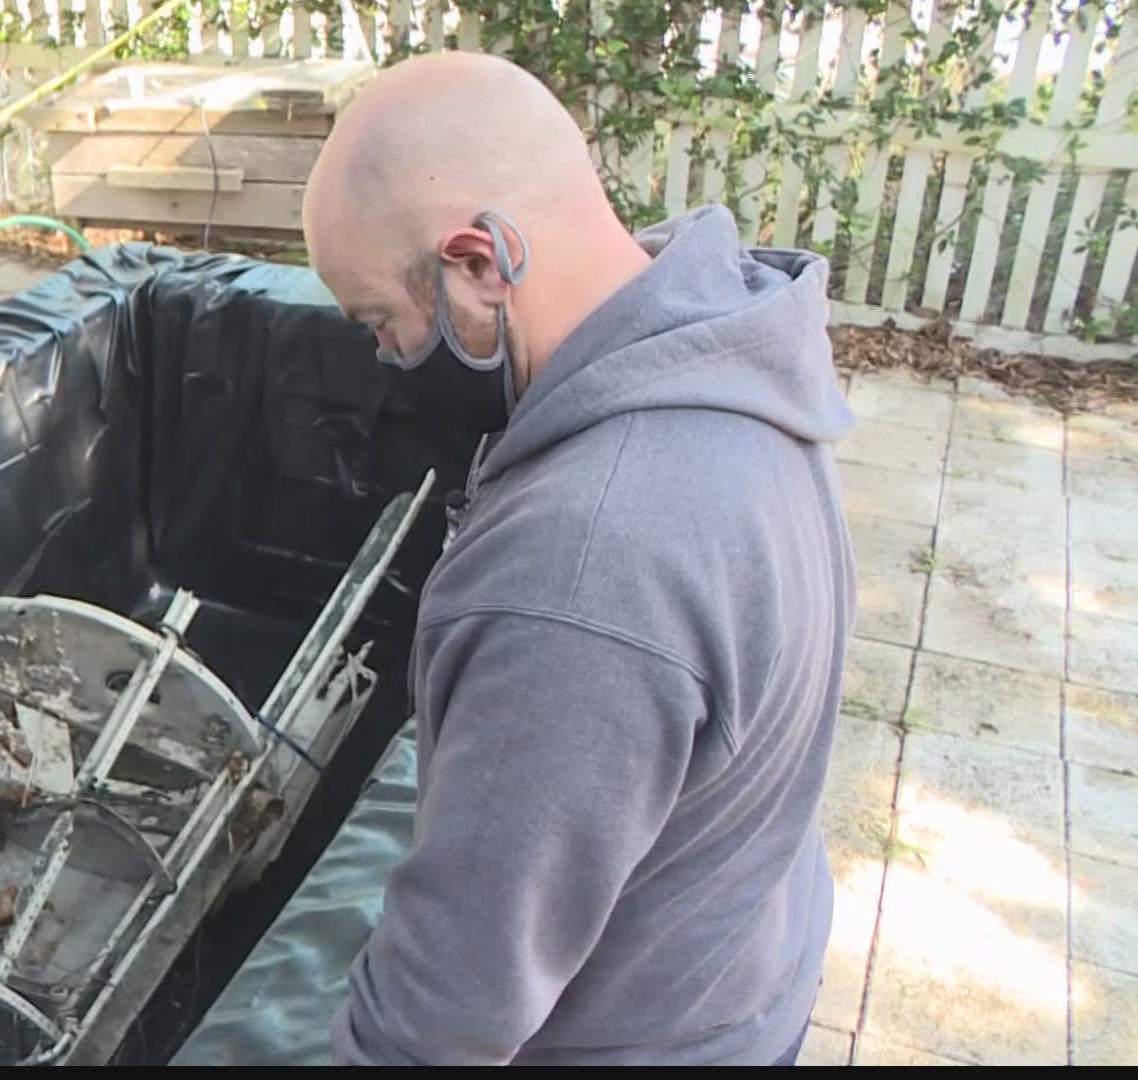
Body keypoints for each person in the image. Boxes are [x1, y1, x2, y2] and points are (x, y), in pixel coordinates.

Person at [300, 51, 857, 1066]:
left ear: (479, 262)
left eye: (381, 321)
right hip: (740, 963)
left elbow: (443, 1012)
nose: (382, 360)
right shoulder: (726, 347)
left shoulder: (583, 568)